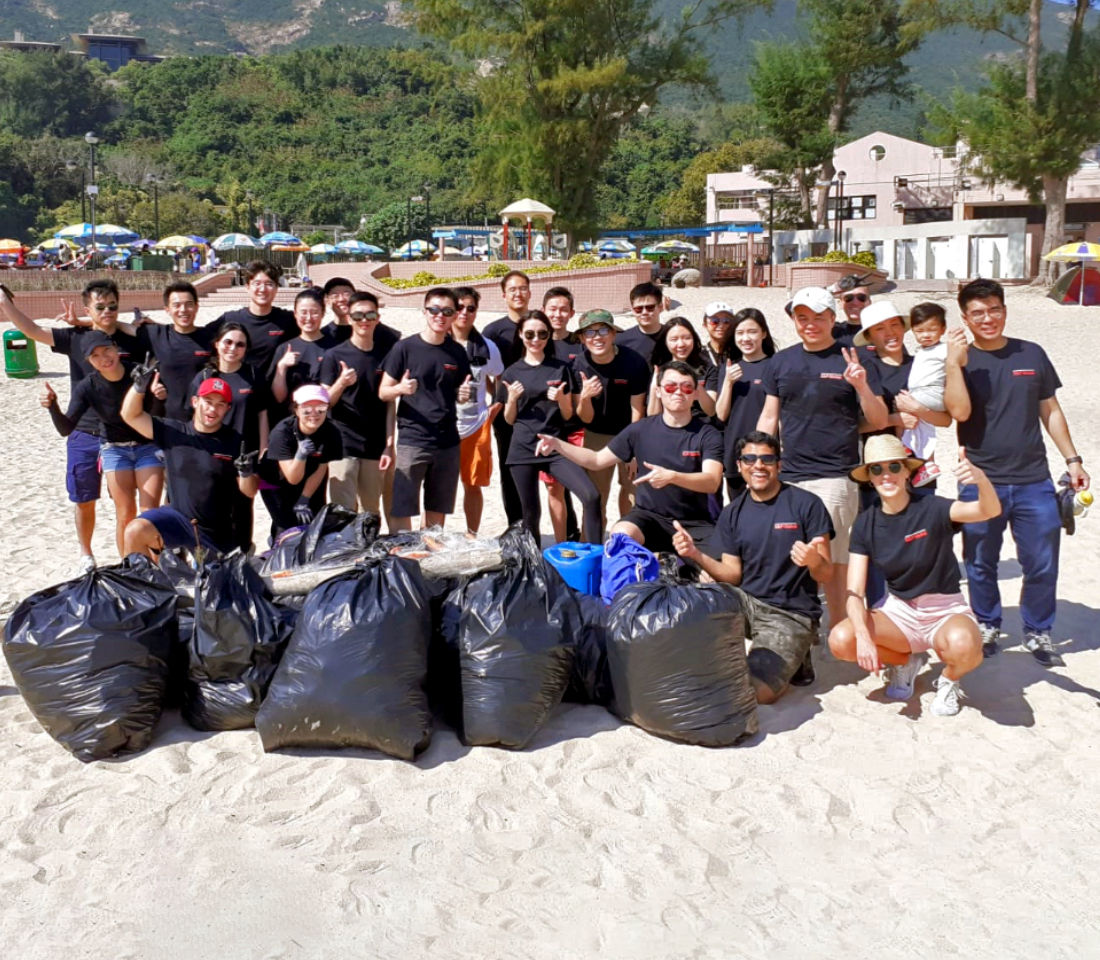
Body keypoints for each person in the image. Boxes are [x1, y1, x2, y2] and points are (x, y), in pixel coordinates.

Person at [944, 278, 1090, 665]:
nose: (987, 318)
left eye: (994, 309)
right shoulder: (962, 361)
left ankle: (1038, 631)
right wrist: (952, 362)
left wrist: (1073, 460)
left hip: (1033, 480)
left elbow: (1051, 410)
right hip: (980, 479)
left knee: (1041, 562)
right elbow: (958, 412)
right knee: (979, 561)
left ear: (1005, 310)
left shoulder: (1032, 354)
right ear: (965, 318)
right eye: (977, 313)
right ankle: (988, 624)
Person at [828, 435, 1001, 716]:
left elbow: (988, 510)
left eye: (894, 467)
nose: (886, 475)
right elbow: (854, 592)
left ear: (907, 471)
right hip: (900, 613)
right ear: (869, 478)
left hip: (945, 610)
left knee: (965, 647)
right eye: (877, 469)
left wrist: (981, 480)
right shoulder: (865, 523)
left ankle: (949, 680)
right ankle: (904, 663)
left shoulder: (932, 508)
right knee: (841, 639)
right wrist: (863, 636)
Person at [757, 285, 889, 630]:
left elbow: (877, 420)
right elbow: (770, 417)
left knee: (834, 560)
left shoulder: (853, 359)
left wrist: (861, 386)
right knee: (792, 557)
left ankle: (840, 630)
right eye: (803, 318)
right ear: (793, 320)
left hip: (837, 476)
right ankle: (799, 628)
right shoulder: (780, 362)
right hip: (789, 477)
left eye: (818, 317)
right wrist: (759, 459)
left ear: (833, 318)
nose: (810, 324)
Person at [673, 431, 833, 703]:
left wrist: (813, 560)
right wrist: (696, 554)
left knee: (756, 694)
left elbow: (826, 573)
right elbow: (732, 575)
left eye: (767, 459)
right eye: (750, 458)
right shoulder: (732, 512)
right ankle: (790, 658)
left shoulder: (806, 504)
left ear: (778, 465)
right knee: (693, 604)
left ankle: (796, 651)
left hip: (789, 613)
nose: (758, 465)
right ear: (739, 466)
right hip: (746, 603)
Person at [0, 279, 145, 573]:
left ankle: (131, 562)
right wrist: (4, 302)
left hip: (126, 435)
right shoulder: (76, 337)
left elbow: (157, 342)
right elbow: (32, 331)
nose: (107, 311)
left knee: (127, 507)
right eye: (100, 307)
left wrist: (134, 326)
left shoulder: (131, 340)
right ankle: (86, 555)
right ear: (88, 309)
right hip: (84, 430)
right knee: (84, 498)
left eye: (112, 306)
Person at [539, 361, 723, 552]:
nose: (678, 392)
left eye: (686, 387)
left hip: (693, 521)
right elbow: (596, 460)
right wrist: (557, 444)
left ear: (694, 393)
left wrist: (672, 477)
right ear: (658, 391)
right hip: (648, 518)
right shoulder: (640, 430)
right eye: (670, 386)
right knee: (620, 536)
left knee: (719, 575)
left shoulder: (708, 434)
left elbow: (711, 481)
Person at [40, 332, 165, 560]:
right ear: (89, 361)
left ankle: (155, 570)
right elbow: (65, 428)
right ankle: (129, 570)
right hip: (114, 449)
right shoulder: (88, 386)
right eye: (95, 356)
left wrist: (158, 397)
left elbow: (157, 417)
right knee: (125, 514)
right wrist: (52, 406)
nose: (104, 358)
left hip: (147, 446)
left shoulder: (139, 373)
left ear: (115, 347)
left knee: (149, 513)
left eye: (106, 349)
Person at [120, 374, 259, 561]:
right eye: (208, 401)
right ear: (195, 401)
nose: (212, 409)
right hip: (176, 518)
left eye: (220, 404)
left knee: (218, 584)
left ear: (227, 409)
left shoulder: (235, 442)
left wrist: (246, 472)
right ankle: (142, 585)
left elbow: (249, 492)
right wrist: (138, 388)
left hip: (216, 531)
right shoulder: (173, 431)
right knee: (134, 531)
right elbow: (130, 415)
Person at [502, 312, 602, 543]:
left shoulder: (561, 368)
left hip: (555, 445)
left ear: (549, 336)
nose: (535, 339)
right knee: (530, 515)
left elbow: (568, 415)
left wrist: (561, 400)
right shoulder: (512, 372)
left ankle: (597, 560)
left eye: (542, 334)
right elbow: (509, 420)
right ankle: (534, 567)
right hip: (523, 448)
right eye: (529, 334)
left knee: (591, 495)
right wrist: (512, 399)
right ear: (520, 335)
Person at [379, 288, 473, 530]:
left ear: (454, 315)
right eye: (434, 310)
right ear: (425, 311)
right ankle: (404, 558)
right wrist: (401, 388)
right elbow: (383, 392)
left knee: (437, 508)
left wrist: (462, 396)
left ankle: (429, 556)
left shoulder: (457, 352)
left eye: (447, 311)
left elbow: (460, 393)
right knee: (403, 505)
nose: (440, 315)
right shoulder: (405, 348)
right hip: (413, 439)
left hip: (448, 441)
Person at [188, 321, 271, 550]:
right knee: (210, 504)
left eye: (240, 344)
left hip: (244, 452)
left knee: (243, 506)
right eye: (228, 342)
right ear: (217, 344)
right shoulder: (204, 376)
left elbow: (262, 413)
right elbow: (193, 415)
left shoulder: (253, 374)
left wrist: (264, 447)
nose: (233, 348)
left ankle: (243, 552)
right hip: (210, 451)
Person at [321, 292, 399, 523]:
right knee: (342, 511)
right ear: (349, 316)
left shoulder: (387, 355)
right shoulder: (334, 355)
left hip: (375, 444)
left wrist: (389, 445)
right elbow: (325, 402)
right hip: (342, 443)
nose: (364, 320)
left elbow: (389, 403)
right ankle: (345, 555)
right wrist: (341, 382)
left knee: (370, 512)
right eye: (358, 315)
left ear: (378, 318)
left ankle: (368, 557)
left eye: (370, 314)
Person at [569, 309, 649, 527]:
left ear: (614, 334)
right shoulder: (578, 365)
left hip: (628, 432)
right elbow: (585, 418)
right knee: (595, 497)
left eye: (603, 330)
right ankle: (593, 547)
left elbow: (637, 409)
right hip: (595, 435)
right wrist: (585, 398)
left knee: (632, 493)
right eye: (590, 333)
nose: (597, 337)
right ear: (583, 338)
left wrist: (634, 448)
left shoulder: (633, 362)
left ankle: (627, 543)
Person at [451, 286, 504, 534]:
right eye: (459, 307)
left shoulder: (487, 347)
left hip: (475, 425)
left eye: (470, 308)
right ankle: (431, 536)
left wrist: (496, 406)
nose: (464, 313)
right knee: (438, 485)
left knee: (473, 484)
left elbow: (498, 377)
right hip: (442, 425)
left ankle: (472, 534)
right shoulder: (437, 341)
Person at [260, 385, 344, 539]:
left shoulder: (331, 431)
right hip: (275, 482)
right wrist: (300, 455)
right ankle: (276, 546)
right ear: (296, 410)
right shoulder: (281, 433)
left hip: (310, 476)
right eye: (306, 409)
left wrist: (304, 499)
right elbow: (293, 478)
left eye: (320, 408)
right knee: (287, 530)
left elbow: (321, 468)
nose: (314, 414)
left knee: (315, 526)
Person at [483, 270, 532, 523]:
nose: (518, 293)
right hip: (504, 411)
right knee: (508, 467)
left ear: (530, 292)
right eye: (512, 289)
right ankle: (516, 524)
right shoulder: (492, 331)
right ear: (504, 295)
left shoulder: (537, 325)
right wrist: (499, 396)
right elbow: (487, 374)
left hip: (538, 410)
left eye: (522, 288)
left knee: (549, 472)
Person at [128, 282, 216, 422]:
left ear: (197, 307)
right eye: (177, 305)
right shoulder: (157, 334)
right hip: (167, 421)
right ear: (167, 309)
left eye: (189, 304)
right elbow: (117, 326)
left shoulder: (210, 337)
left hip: (204, 421)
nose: (183, 310)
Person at [712, 309, 777, 498]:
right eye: (740, 333)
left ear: (763, 333)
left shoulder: (775, 366)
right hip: (735, 450)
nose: (745, 338)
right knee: (738, 510)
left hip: (765, 453)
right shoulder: (728, 367)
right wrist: (728, 383)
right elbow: (721, 414)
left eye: (752, 332)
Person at [541, 285, 583, 541]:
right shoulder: (535, 340)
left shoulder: (579, 345)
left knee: (585, 488)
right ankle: (562, 540)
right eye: (552, 309)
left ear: (571, 313)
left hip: (578, 425)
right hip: (547, 427)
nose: (557, 314)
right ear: (544, 310)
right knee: (554, 487)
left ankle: (583, 535)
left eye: (563, 309)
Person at [213, 260, 297, 376]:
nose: (262, 289)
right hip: (238, 390)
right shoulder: (230, 319)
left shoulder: (288, 320)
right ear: (247, 287)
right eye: (257, 283)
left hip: (274, 390)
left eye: (269, 284)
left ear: (277, 288)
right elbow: (198, 339)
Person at [901, 302, 949, 487]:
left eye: (931, 329)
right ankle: (927, 462)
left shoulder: (943, 349)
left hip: (931, 393)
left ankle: (905, 447)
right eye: (920, 331)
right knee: (923, 427)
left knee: (901, 406)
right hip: (923, 393)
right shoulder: (921, 351)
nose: (925, 335)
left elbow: (959, 359)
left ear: (942, 329)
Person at [271, 288, 336, 405]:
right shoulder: (284, 348)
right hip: (293, 417)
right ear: (295, 314)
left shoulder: (334, 348)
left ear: (323, 313)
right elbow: (279, 398)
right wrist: (282, 366)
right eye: (303, 312)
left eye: (314, 312)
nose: (309, 318)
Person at [647, 317, 716, 417]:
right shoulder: (657, 368)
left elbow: (711, 411)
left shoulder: (707, 367)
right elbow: (652, 417)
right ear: (665, 342)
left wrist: (695, 385)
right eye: (674, 339)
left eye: (687, 338)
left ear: (694, 338)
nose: (681, 344)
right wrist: (655, 386)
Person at [617, 282, 666, 367]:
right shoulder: (621, 341)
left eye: (650, 307)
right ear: (632, 310)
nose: (644, 312)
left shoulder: (674, 337)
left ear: (660, 307)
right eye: (638, 309)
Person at [829, 273, 873, 346]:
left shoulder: (880, 329)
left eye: (861, 297)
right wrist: (833, 288)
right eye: (848, 298)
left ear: (870, 302)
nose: (855, 302)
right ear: (840, 303)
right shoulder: (832, 331)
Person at [699, 301, 736, 369]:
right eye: (715, 321)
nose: (721, 325)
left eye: (726, 320)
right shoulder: (699, 356)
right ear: (705, 325)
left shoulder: (738, 352)